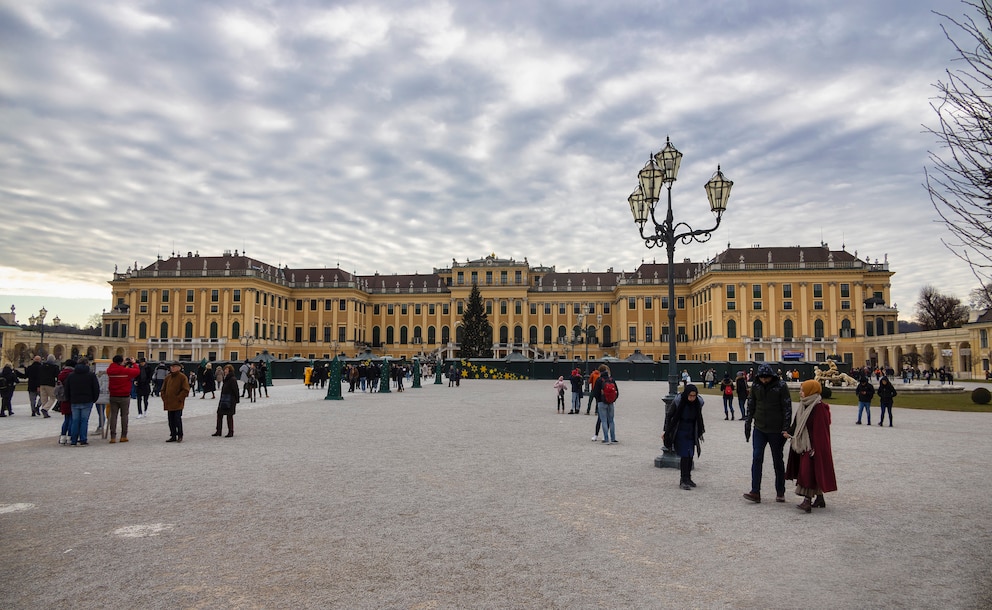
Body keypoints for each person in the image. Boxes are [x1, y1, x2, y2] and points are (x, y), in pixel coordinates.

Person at [743, 363, 793, 504]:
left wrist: (785, 428)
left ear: (772, 376)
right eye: (762, 377)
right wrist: (748, 423)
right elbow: (751, 404)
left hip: (776, 430)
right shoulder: (756, 386)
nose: (764, 380)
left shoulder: (781, 386)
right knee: (757, 457)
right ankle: (755, 491)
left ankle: (780, 491)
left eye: (767, 377)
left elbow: (787, 407)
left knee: (777, 460)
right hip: (759, 427)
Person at [785, 380, 837, 512]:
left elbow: (820, 431)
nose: (800, 392)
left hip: (812, 446)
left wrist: (816, 448)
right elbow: (797, 423)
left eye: (802, 390)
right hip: (804, 444)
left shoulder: (819, 408)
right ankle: (819, 499)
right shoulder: (804, 405)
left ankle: (807, 501)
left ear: (810, 391)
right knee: (812, 472)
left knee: (807, 472)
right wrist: (789, 433)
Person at [664, 383, 705, 490]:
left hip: (691, 431)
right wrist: (667, 431)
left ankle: (688, 477)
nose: (692, 398)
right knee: (684, 455)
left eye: (694, 396)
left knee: (690, 454)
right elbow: (669, 415)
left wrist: (699, 430)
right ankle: (683, 479)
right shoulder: (679, 402)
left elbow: (699, 418)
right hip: (680, 430)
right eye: (690, 396)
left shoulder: (697, 403)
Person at [64, 358, 100, 447]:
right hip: (87, 400)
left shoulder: (71, 375)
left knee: (75, 421)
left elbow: (66, 389)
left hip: (74, 400)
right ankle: (83, 439)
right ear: (87, 364)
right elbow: (96, 388)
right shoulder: (91, 375)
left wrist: (69, 398)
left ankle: (73, 440)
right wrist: (94, 399)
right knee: (84, 421)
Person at [106, 355, 140, 443]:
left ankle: (113, 436)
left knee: (113, 415)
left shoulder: (109, 370)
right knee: (124, 416)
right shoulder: (124, 370)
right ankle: (123, 436)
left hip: (113, 395)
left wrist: (123, 364)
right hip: (124, 396)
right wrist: (134, 363)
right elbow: (137, 371)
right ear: (121, 361)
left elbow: (117, 369)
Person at [161, 361, 190, 442]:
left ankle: (180, 435)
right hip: (169, 402)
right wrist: (164, 398)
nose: (172, 368)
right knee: (171, 420)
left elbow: (185, 390)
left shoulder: (182, 377)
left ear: (179, 368)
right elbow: (163, 389)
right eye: (171, 367)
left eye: (174, 367)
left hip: (178, 403)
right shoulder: (168, 377)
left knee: (177, 419)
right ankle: (173, 435)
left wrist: (179, 398)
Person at [592, 364, 619, 444]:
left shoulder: (599, 380)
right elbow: (617, 392)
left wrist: (599, 400)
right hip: (611, 403)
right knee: (611, 421)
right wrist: (613, 399)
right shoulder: (612, 379)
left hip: (601, 402)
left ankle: (606, 438)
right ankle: (613, 438)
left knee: (603, 420)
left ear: (600, 371)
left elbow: (595, 393)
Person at [213, 364, 239, 438]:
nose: (225, 371)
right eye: (225, 369)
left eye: (226, 370)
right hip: (224, 399)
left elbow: (235, 390)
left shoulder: (232, 379)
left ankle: (230, 431)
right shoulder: (226, 378)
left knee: (229, 416)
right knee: (219, 414)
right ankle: (218, 431)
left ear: (230, 370)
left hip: (230, 400)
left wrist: (236, 400)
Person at [55, 359, 75, 445]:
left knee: (66, 419)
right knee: (71, 419)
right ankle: (70, 436)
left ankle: (62, 437)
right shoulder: (72, 374)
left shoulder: (61, 374)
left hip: (63, 398)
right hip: (71, 397)